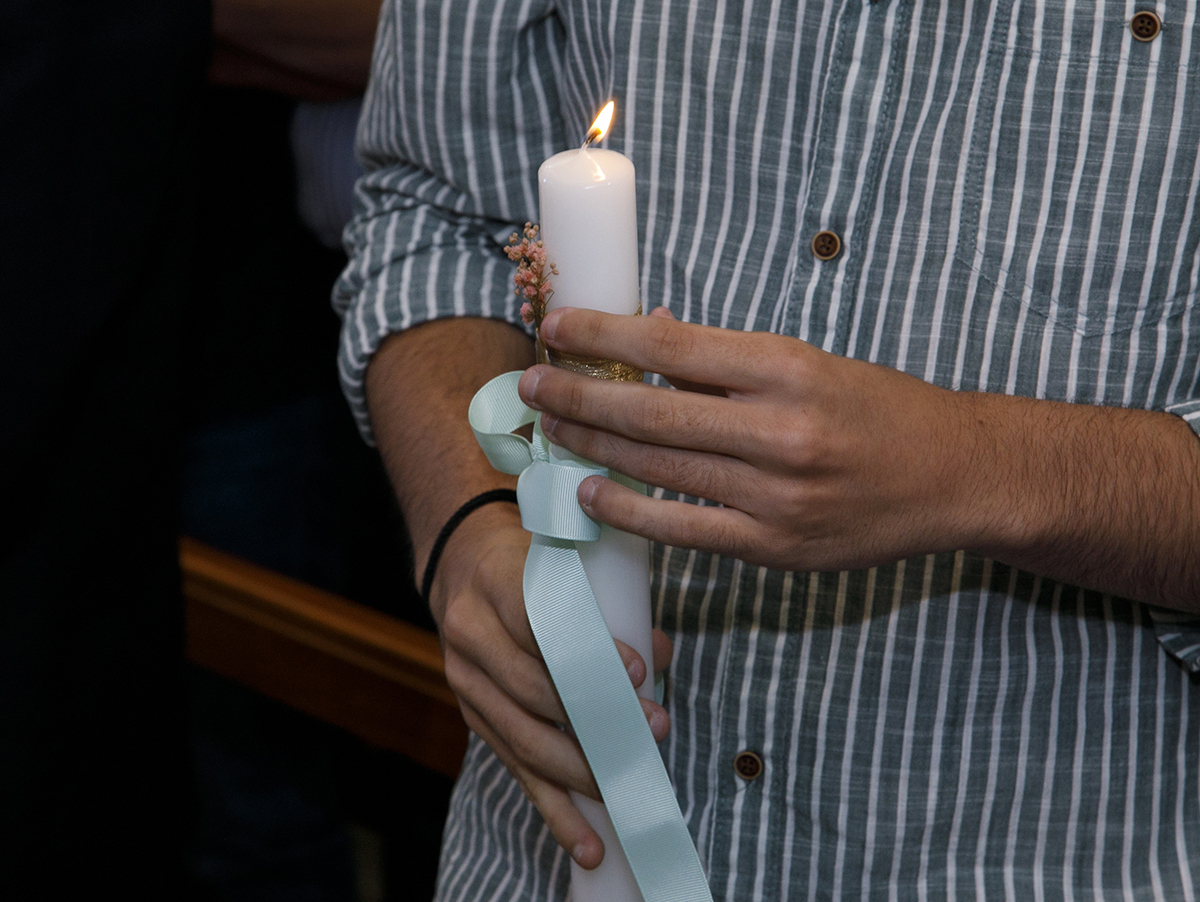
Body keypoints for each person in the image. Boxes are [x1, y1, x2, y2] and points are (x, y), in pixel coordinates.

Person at [335, 0, 1200, 898]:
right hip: (549, 855)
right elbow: (436, 213)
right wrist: (467, 527)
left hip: (1046, 856)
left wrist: (978, 468)